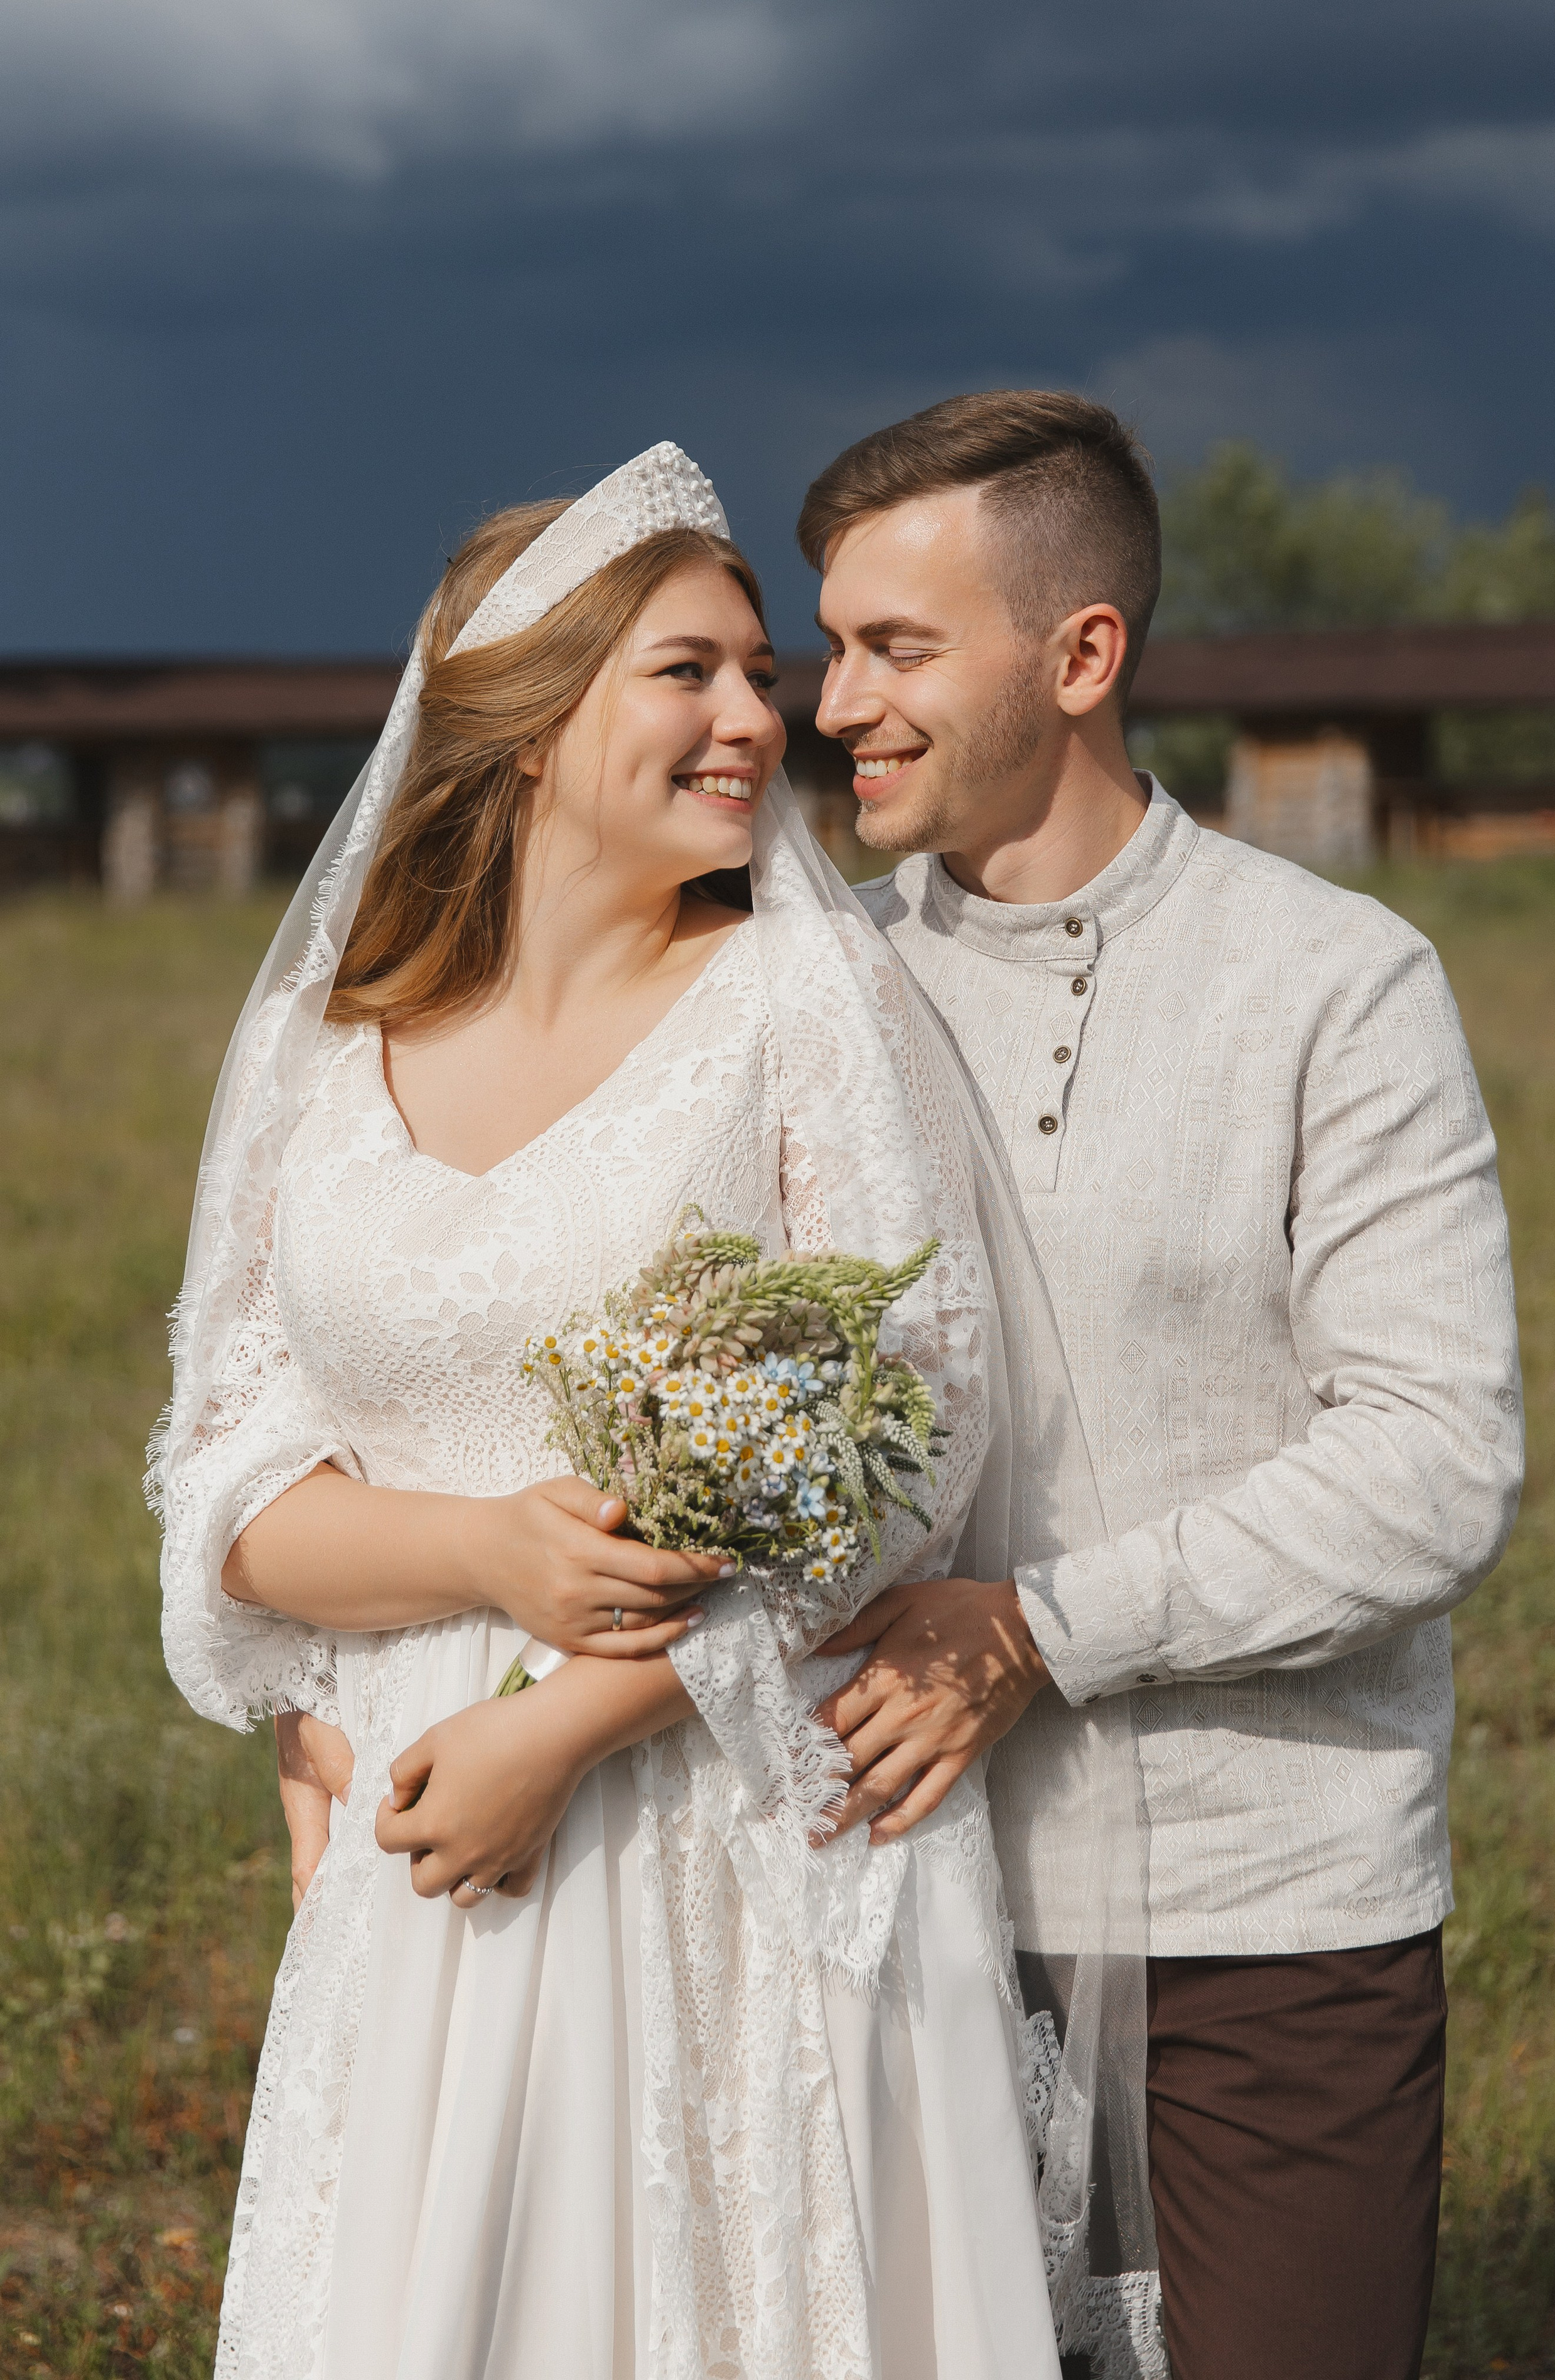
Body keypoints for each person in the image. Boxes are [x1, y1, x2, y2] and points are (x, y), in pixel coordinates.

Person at [153, 446, 1087, 2380]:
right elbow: (229, 1479)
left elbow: (910, 1445)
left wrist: (568, 1725)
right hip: (420, 1837)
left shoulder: (795, 1005)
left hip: (716, 1822)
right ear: (522, 721)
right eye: (694, 673)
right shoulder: (331, 1051)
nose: (764, 717)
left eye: (764, 672)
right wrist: (478, 1552)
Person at [795, 390, 1525, 2380]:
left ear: (1082, 652)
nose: (836, 697)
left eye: (898, 646)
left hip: (1270, 1920)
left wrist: (1033, 1628)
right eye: (832, 640)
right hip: (889, 1896)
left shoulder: (1338, 984)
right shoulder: (809, 1004)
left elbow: (1436, 1467)